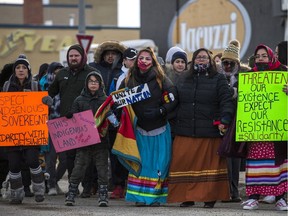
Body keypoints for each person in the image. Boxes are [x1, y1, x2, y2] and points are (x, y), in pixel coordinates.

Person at [167, 48, 234, 208]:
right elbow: (173, 100)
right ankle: (187, 197)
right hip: (185, 129)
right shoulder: (183, 78)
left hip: (209, 131)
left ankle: (209, 198)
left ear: (210, 61)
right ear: (193, 60)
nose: (201, 60)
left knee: (209, 166)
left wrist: (225, 119)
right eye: (198, 57)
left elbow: (226, 101)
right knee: (184, 163)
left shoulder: (218, 79)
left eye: (204, 58)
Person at [118, 47, 178, 207]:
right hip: (139, 129)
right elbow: (120, 103)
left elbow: (173, 98)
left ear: (152, 61)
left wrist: (161, 110)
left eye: (147, 58)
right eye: (141, 58)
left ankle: (156, 198)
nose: (144, 61)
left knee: (159, 164)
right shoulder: (128, 79)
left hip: (159, 127)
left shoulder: (161, 79)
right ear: (137, 60)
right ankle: (139, 197)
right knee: (142, 164)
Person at [241, 44, 288, 211]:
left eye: (264, 55)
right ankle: (253, 198)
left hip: (276, 132)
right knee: (256, 166)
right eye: (258, 56)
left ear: (271, 57)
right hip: (256, 134)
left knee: (278, 166)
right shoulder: (249, 76)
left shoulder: (283, 74)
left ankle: (280, 199)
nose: (261, 58)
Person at [48, 44, 96, 182]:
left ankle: (87, 187)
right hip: (66, 121)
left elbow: (99, 94)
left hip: (86, 121)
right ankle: (72, 186)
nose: (73, 58)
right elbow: (51, 93)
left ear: (83, 57)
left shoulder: (91, 73)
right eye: (71, 56)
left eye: (76, 56)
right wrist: (43, 99)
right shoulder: (62, 73)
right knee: (69, 157)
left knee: (86, 156)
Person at [2, 55, 45, 204]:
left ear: (28, 70)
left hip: (31, 132)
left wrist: (47, 103)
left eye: (23, 68)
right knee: (13, 164)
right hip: (12, 133)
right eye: (18, 68)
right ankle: (16, 194)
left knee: (33, 161)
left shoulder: (34, 85)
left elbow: (43, 109)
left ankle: (39, 190)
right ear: (14, 71)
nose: (21, 70)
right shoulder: (7, 87)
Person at [64, 71, 109, 207]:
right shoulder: (79, 100)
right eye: (91, 81)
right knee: (79, 168)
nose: (93, 84)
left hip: (101, 143)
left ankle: (103, 196)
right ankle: (71, 194)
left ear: (100, 84)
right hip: (84, 143)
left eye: (96, 82)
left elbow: (110, 115)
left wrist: (115, 120)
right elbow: (73, 119)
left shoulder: (105, 100)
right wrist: (70, 116)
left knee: (102, 170)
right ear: (86, 84)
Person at [88, 40, 126, 196]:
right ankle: (93, 184)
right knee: (95, 153)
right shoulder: (94, 68)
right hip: (96, 117)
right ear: (102, 55)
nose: (111, 57)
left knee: (116, 154)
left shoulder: (123, 71)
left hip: (117, 117)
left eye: (114, 54)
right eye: (108, 54)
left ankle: (118, 185)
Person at [218, 40, 251, 203]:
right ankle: (224, 191)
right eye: (225, 62)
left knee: (234, 157)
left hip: (240, 121)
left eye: (231, 62)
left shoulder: (247, 76)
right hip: (221, 120)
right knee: (222, 157)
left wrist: (236, 92)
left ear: (237, 62)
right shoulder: (217, 76)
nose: (228, 65)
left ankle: (234, 192)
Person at [109, 47, 138, 200]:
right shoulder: (118, 77)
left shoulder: (143, 75)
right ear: (124, 60)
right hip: (121, 120)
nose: (133, 62)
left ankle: (132, 185)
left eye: (135, 59)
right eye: (130, 59)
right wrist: (114, 119)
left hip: (138, 121)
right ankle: (118, 186)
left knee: (135, 152)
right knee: (119, 152)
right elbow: (111, 99)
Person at [41, 62, 66, 196]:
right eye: (55, 73)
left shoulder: (67, 86)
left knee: (65, 159)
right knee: (50, 158)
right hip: (49, 125)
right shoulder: (43, 86)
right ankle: (51, 186)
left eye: (60, 73)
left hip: (64, 125)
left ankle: (54, 181)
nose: (58, 75)